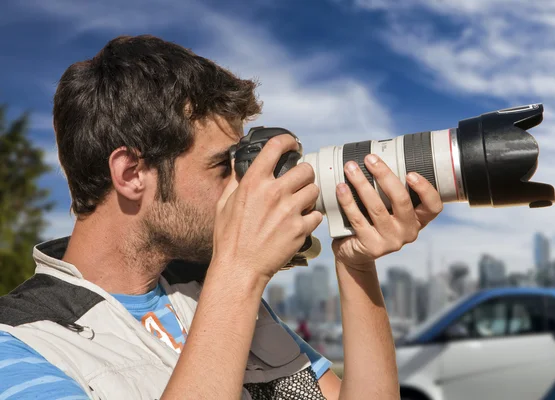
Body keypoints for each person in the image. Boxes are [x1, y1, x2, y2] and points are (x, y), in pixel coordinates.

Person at [0, 35, 443, 399]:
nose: (241, 188)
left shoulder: (207, 288)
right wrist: (240, 272)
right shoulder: (23, 343)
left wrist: (354, 261)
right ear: (132, 174)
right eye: (220, 167)